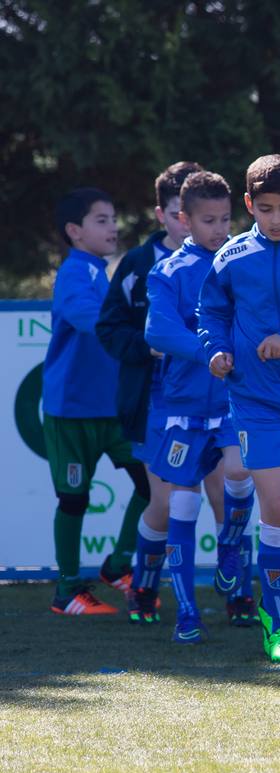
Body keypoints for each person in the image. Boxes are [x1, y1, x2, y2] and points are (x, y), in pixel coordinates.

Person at [198, 154, 280, 662]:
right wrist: (216, 350)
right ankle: (279, 619)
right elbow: (212, 311)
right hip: (254, 401)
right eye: (265, 208)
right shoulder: (230, 257)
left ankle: (278, 597)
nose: (275, 219)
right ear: (248, 204)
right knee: (279, 509)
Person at [97, 161, 232, 625]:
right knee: (169, 501)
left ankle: (237, 594)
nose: (190, 223)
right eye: (181, 214)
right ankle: (146, 587)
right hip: (162, 402)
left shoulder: (234, 258)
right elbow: (117, 328)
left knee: (229, 494)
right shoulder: (145, 265)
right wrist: (150, 350)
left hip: (222, 397)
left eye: (221, 218)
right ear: (169, 216)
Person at [145, 170, 257, 642]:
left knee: (239, 471)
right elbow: (158, 331)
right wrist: (205, 351)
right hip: (182, 408)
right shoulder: (168, 271)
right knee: (181, 506)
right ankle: (187, 612)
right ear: (184, 220)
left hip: (236, 400)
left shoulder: (244, 261)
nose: (219, 229)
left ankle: (230, 547)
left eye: (226, 219)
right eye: (208, 220)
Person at [42, 188, 150, 615]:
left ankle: (117, 565)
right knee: (74, 499)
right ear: (74, 231)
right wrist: (133, 334)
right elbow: (86, 317)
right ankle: (66, 591)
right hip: (73, 412)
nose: (114, 226)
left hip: (113, 410)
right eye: (101, 220)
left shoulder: (101, 271)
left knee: (150, 484)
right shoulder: (75, 273)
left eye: (113, 218)